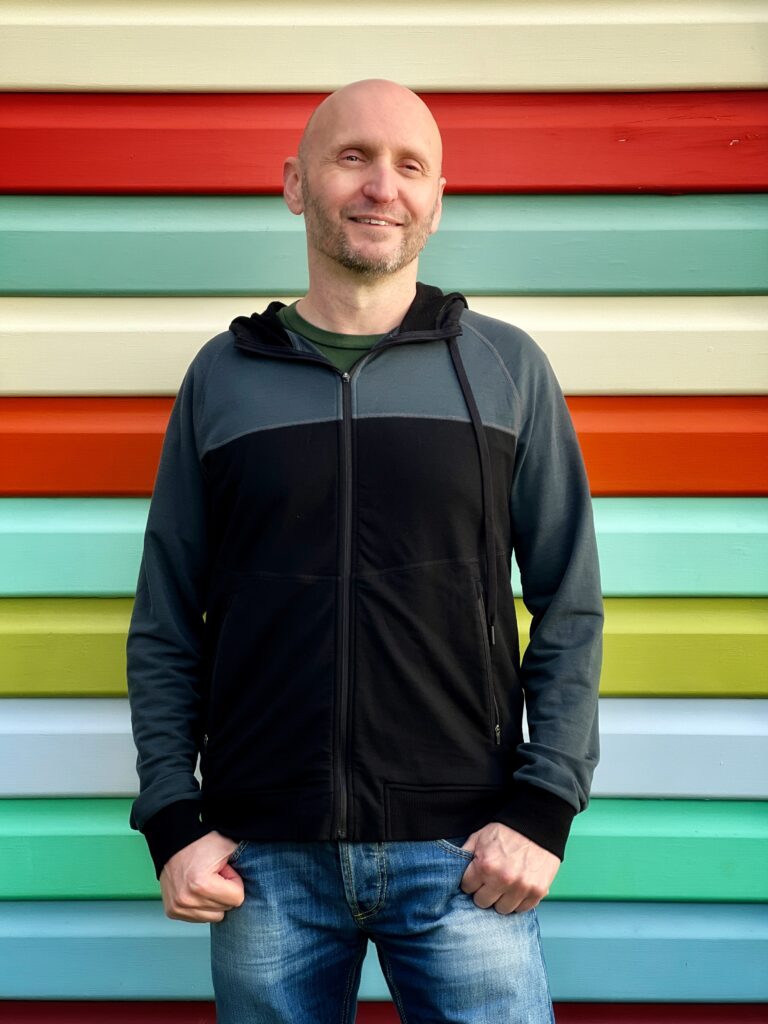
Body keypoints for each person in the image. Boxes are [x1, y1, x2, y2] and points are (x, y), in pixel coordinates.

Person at [127, 79, 603, 1023]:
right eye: (353, 157)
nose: (382, 185)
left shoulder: (506, 368)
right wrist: (173, 820)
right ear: (297, 185)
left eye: (410, 165)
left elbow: (570, 602)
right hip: (263, 863)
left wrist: (544, 808)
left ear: (435, 199)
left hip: (468, 855)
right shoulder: (222, 379)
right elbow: (167, 618)